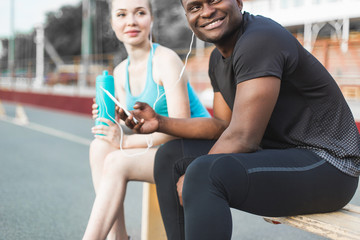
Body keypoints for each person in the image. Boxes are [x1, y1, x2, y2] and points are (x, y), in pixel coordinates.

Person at [123, 0, 360, 239]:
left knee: (204, 173)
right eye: (195, 7)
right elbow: (222, 127)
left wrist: (194, 175)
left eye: (214, 0)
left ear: (238, 2)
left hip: (330, 166)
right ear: (187, 17)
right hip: (281, 153)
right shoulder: (218, 59)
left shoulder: (260, 39)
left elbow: (243, 137)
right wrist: (161, 122)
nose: (206, 11)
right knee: (171, 156)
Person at [82, 0, 210, 239]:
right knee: (99, 146)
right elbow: (140, 124)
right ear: (112, 23)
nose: (131, 21)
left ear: (151, 18)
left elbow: (180, 126)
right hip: (163, 149)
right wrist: (114, 123)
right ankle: (117, 237)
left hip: (195, 147)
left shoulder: (166, 60)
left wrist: (126, 142)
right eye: (121, 15)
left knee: (116, 161)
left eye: (139, 12)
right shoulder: (120, 72)